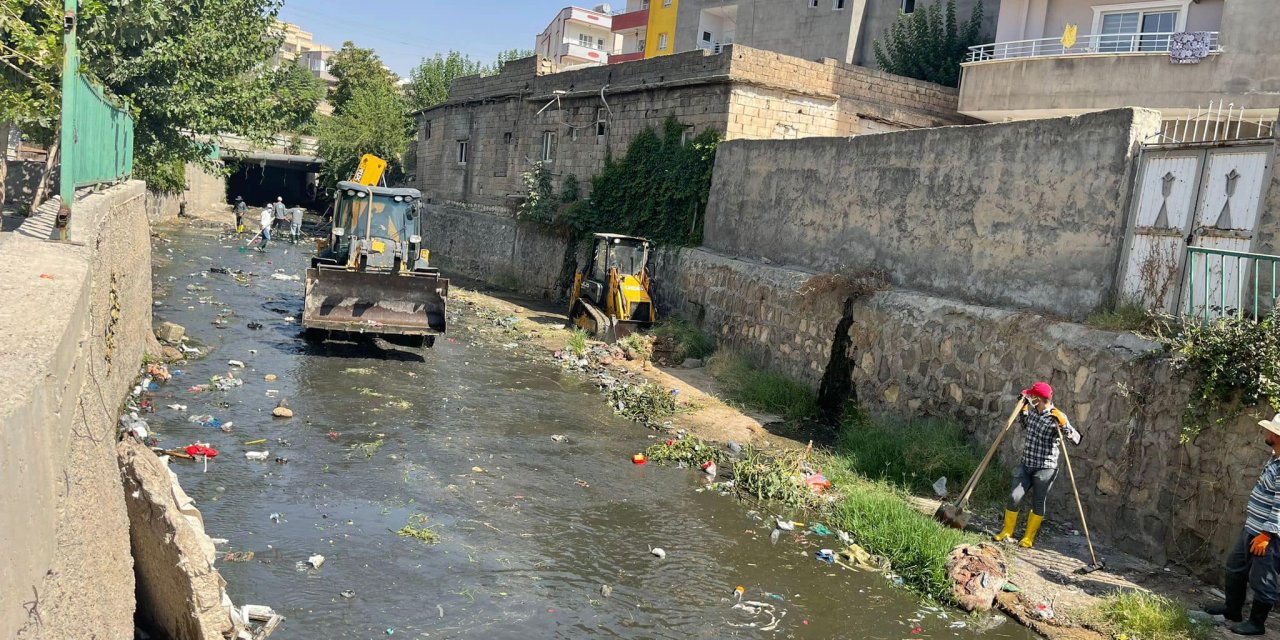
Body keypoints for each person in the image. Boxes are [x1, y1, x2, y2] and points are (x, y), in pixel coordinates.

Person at [1204, 414, 1280, 635]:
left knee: (1263, 579)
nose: (1267, 434)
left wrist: (1267, 535)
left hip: (1267, 536)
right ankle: (1232, 610)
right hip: (1252, 528)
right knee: (1235, 567)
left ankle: (1257, 624)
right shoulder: (1275, 458)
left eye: (1270, 431)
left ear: (1276, 435)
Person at [992, 381, 1081, 548]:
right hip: (1026, 464)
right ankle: (1007, 531)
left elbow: (1076, 440)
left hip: (1045, 468)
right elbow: (1025, 424)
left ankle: (1028, 537)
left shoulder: (1056, 417)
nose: (1030, 397)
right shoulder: (1033, 412)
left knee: (1038, 502)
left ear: (1039, 399)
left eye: (1032, 396)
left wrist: (1063, 424)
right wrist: (1023, 408)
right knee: (1014, 497)